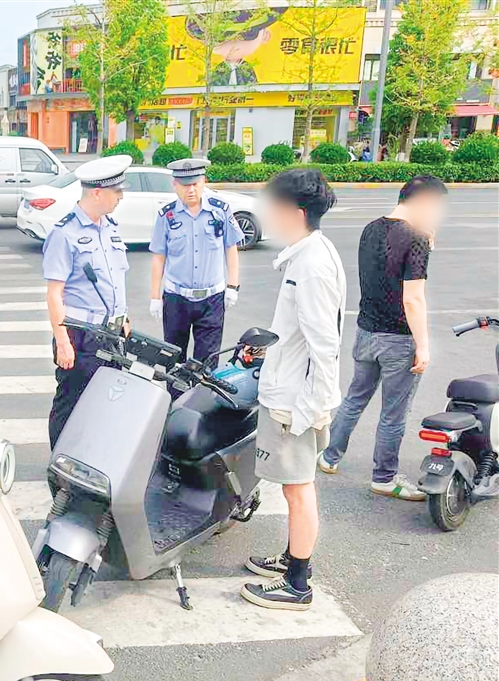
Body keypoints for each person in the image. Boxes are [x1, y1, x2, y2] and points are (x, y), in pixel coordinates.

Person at [242, 168, 345, 611]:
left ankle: (297, 583)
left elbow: (325, 345)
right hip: (290, 390)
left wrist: (310, 410)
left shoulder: (312, 266)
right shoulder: (308, 253)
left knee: (299, 489)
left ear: (295, 212)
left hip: (295, 402)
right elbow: (297, 333)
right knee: (293, 487)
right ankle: (291, 558)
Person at [318, 176, 448, 500]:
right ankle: (384, 477)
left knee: (355, 398)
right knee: (394, 413)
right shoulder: (415, 238)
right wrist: (423, 345)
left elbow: (386, 267)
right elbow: (412, 299)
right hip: (398, 339)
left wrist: (427, 243)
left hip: (366, 332)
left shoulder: (371, 228)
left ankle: (329, 456)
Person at [43, 154, 133, 448]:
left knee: (106, 406)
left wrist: (123, 317)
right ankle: (61, 460)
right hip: (81, 334)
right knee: (71, 405)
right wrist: (63, 342)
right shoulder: (64, 233)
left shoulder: (111, 227)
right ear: (97, 193)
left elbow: (114, 279)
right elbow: (54, 292)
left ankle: (93, 459)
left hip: (111, 334)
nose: (120, 197)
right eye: (116, 191)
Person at [149, 158, 244, 370]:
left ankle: (201, 392)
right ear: (175, 185)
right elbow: (159, 257)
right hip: (176, 298)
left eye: (195, 184)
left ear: (204, 182)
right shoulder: (166, 216)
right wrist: (155, 297)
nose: (190, 190)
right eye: (185, 185)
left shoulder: (220, 211)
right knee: (174, 361)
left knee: (207, 364)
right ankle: (175, 393)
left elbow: (231, 248)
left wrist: (233, 286)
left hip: (211, 299)